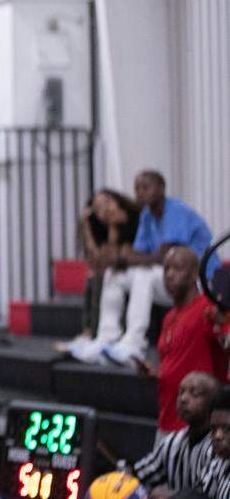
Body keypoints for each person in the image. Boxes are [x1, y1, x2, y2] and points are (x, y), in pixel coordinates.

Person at [71, 170, 215, 367]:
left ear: (161, 188)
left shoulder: (176, 211)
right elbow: (139, 254)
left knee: (142, 273)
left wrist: (122, 258)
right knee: (115, 273)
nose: (139, 192)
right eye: (137, 188)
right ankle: (106, 337)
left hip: (199, 283)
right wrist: (122, 261)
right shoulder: (147, 216)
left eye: (145, 187)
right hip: (170, 280)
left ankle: (134, 344)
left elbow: (166, 257)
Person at [134, 247, 229, 436]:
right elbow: (175, 364)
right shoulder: (169, 317)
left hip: (197, 427)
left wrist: (223, 324)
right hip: (166, 420)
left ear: (194, 273)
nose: (169, 275)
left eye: (177, 268)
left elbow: (226, 339)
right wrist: (157, 374)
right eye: (166, 269)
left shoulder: (208, 309)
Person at [57, 189, 141, 351]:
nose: (106, 209)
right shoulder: (103, 227)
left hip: (138, 268)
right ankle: (89, 332)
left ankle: (96, 334)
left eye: (108, 202)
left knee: (103, 274)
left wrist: (115, 230)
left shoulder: (134, 218)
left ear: (117, 199)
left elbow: (118, 258)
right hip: (118, 268)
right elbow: (97, 259)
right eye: (98, 208)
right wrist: (87, 225)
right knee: (94, 274)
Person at [134, 371, 219, 499]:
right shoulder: (173, 441)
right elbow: (142, 473)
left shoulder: (219, 446)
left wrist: (172, 497)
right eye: (181, 392)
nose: (183, 399)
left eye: (194, 394)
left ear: (213, 404)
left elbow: (206, 495)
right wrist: (122, 478)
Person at [200, 387, 230, 499]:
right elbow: (201, 497)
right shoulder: (219, 462)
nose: (217, 436)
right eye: (213, 429)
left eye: (227, 429)